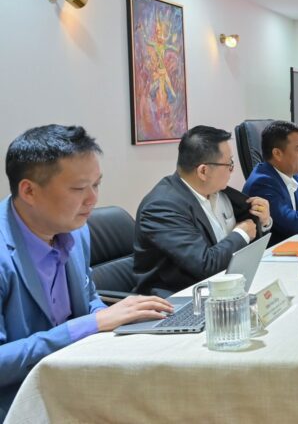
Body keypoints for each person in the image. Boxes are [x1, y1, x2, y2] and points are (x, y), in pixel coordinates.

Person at [1, 125, 172, 415]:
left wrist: (119, 318)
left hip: (77, 384)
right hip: (19, 404)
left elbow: (88, 299)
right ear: (28, 190)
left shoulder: (76, 231)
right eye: (79, 189)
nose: (93, 199)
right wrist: (90, 325)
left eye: (96, 185)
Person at [134, 126, 272, 297]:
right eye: (229, 164)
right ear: (203, 171)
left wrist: (264, 221)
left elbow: (248, 227)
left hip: (228, 288)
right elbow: (206, 266)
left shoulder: (221, 193)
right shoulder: (162, 208)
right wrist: (241, 233)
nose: (232, 170)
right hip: (180, 299)